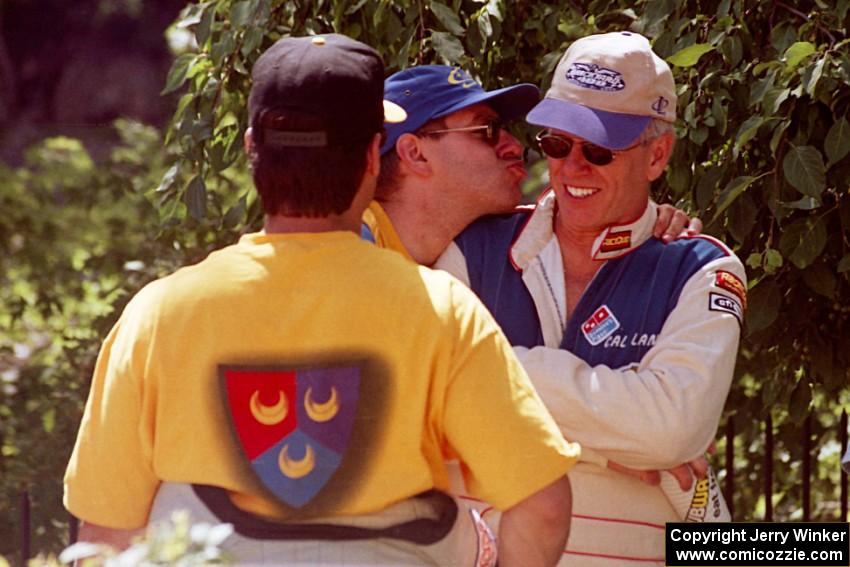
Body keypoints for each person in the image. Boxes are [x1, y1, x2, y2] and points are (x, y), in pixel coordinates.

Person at [63, 34, 579, 567]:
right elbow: (541, 504)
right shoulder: (440, 310)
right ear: (370, 158)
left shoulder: (158, 313)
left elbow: (105, 534)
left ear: (249, 151)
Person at [432, 31, 746, 564]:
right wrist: (613, 449)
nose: (572, 166)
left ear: (657, 155)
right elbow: (431, 396)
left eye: (599, 150)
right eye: (557, 142)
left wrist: (486, 374)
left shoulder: (701, 266)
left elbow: (671, 430)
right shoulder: (472, 246)